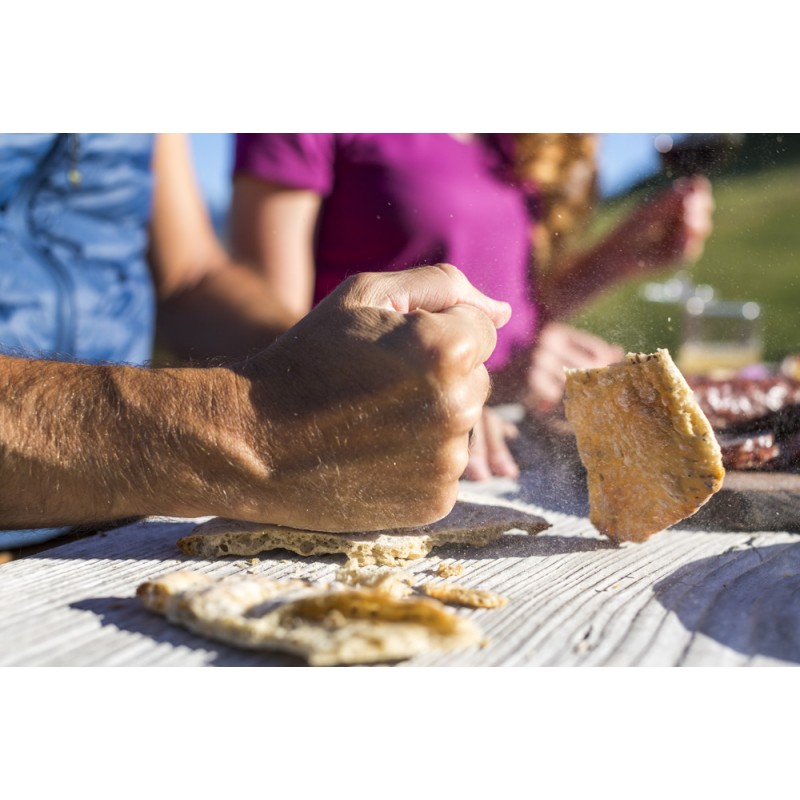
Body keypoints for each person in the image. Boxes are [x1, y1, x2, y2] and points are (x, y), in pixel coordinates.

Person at [0, 132, 509, 547]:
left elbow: (188, 277)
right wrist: (246, 424)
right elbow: (244, 426)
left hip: (112, 531)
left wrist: (357, 371)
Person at [229, 133, 713, 479]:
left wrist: (620, 257)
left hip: (509, 444)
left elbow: (509, 308)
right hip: (382, 452)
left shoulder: (512, 141)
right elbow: (261, 323)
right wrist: (416, 386)